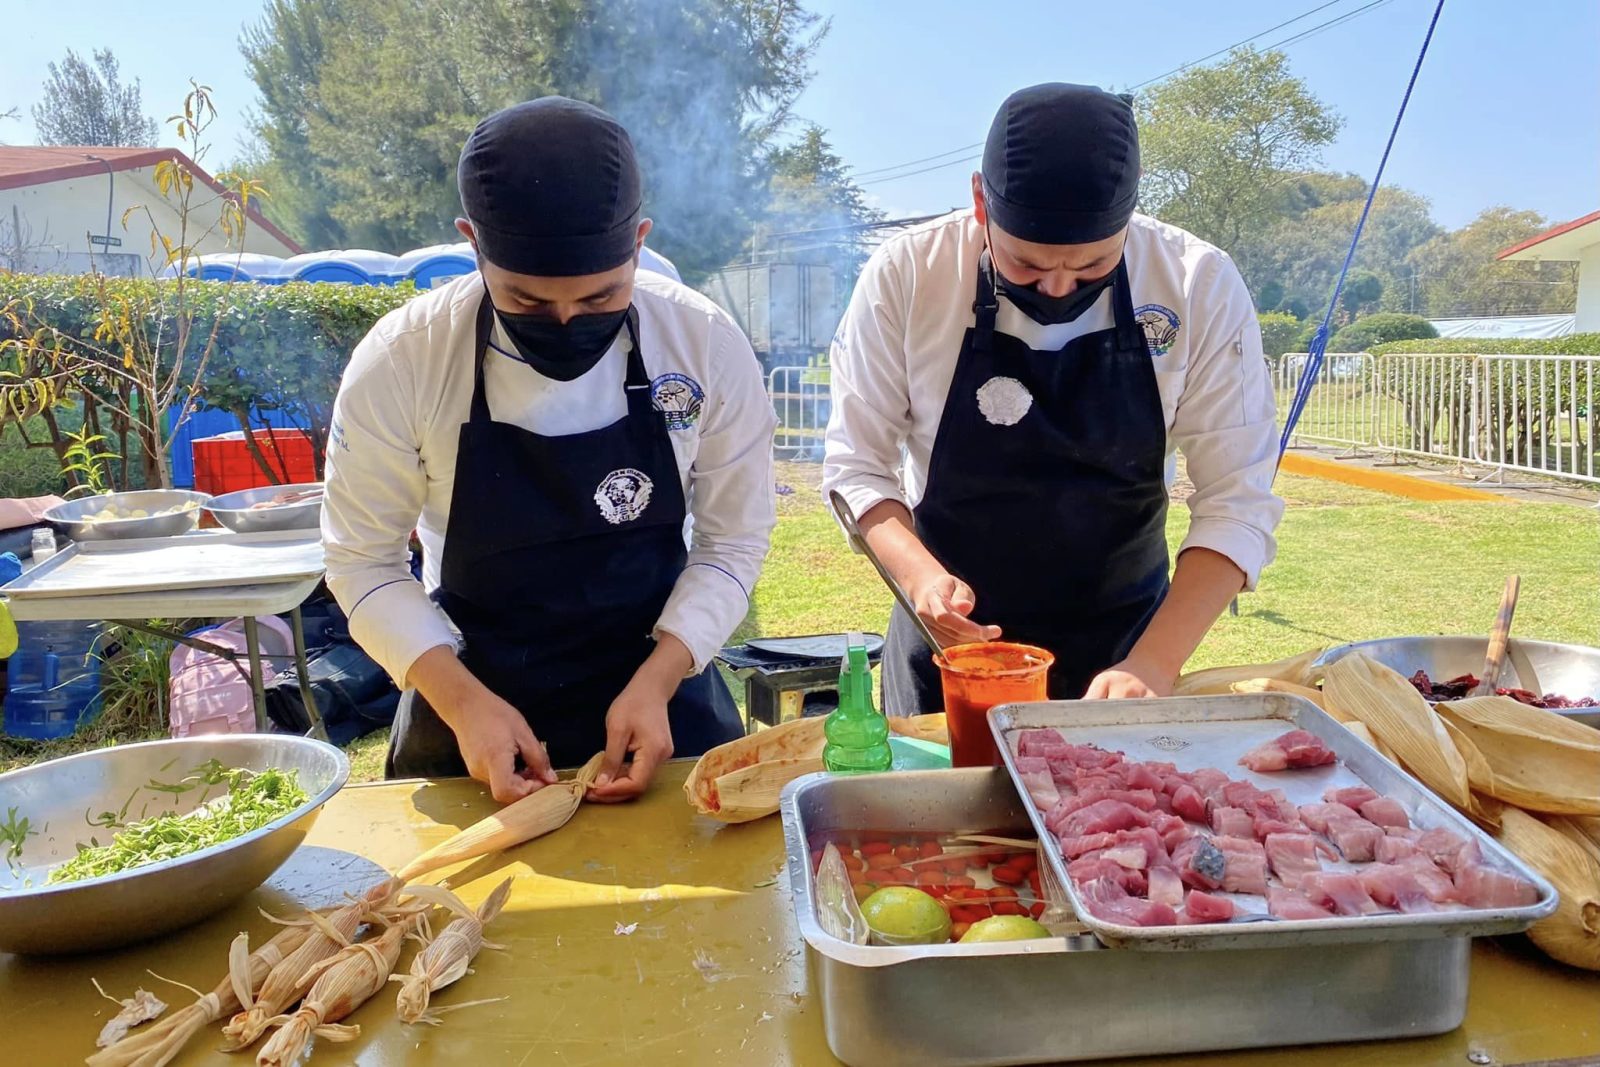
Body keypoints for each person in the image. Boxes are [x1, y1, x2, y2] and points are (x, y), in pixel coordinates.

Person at [323, 97, 775, 803]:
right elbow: (362, 560)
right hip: (467, 693)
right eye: (529, 303)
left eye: (600, 299)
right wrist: (465, 704)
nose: (566, 322)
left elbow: (733, 540)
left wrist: (660, 676)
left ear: (639, 242)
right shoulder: (402, 361)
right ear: (472, 242)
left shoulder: (703, 344)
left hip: (662, 686)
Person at [822, 83, 1285, 715]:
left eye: (1093, 267)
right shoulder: (910, 274)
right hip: (952, 652)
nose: (1059, 286)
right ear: (981, 204)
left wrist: (1154, 661)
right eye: (1027, 266)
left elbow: (1237, 498)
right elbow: (858, 467)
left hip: (1127, 641)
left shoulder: (1195, 281)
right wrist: (921, 581)